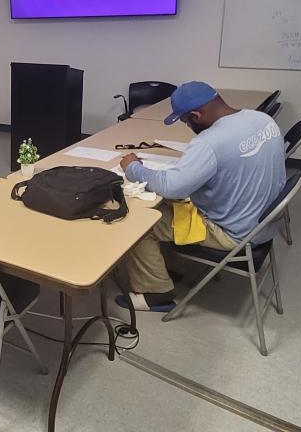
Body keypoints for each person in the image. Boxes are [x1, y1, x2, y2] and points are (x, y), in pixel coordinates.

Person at [117, 81, 286, 312]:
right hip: (264, 222)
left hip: (234, 233)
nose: (188, 126)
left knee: (140, 222)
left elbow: (173, 187)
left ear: (196, 115)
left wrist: (133, 167)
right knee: (167, 201)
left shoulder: (209, 142)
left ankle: (155, 293)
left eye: (186, 121)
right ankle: (172, 268)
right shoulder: (262, 120)